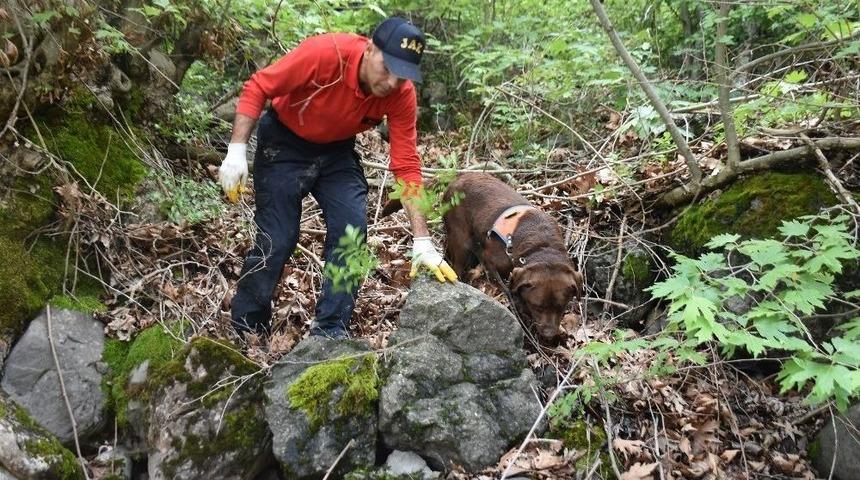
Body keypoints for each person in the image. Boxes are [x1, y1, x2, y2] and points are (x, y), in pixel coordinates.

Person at [217, 17, 458, 340]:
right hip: (284, 142)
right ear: (370, 49)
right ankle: (247, 326)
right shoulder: (325, 54)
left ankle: (330, 331)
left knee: (351, 231)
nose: (391, 83)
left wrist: (422, 240)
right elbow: (259, 86)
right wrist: (236, 150)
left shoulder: (401, 94)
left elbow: (406, 164)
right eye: (386, 69)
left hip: (336, 152)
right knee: (278, 237)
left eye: (402, 77)